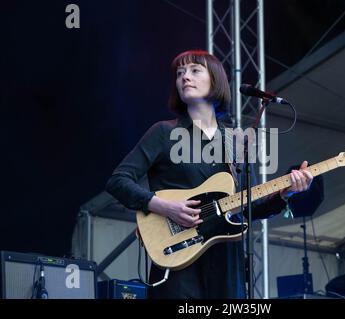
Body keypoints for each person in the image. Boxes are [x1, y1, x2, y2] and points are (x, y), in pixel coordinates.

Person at [105, 50, 313, 299]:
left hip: (226, 265)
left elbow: (252, 207)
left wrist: (285, 192)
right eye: (180, 73)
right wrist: (164, 207)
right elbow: (118, 181)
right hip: (178, 262)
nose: (184, 77)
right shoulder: (163, 133)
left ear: (215, 80)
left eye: (194, 70)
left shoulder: (235, 142)